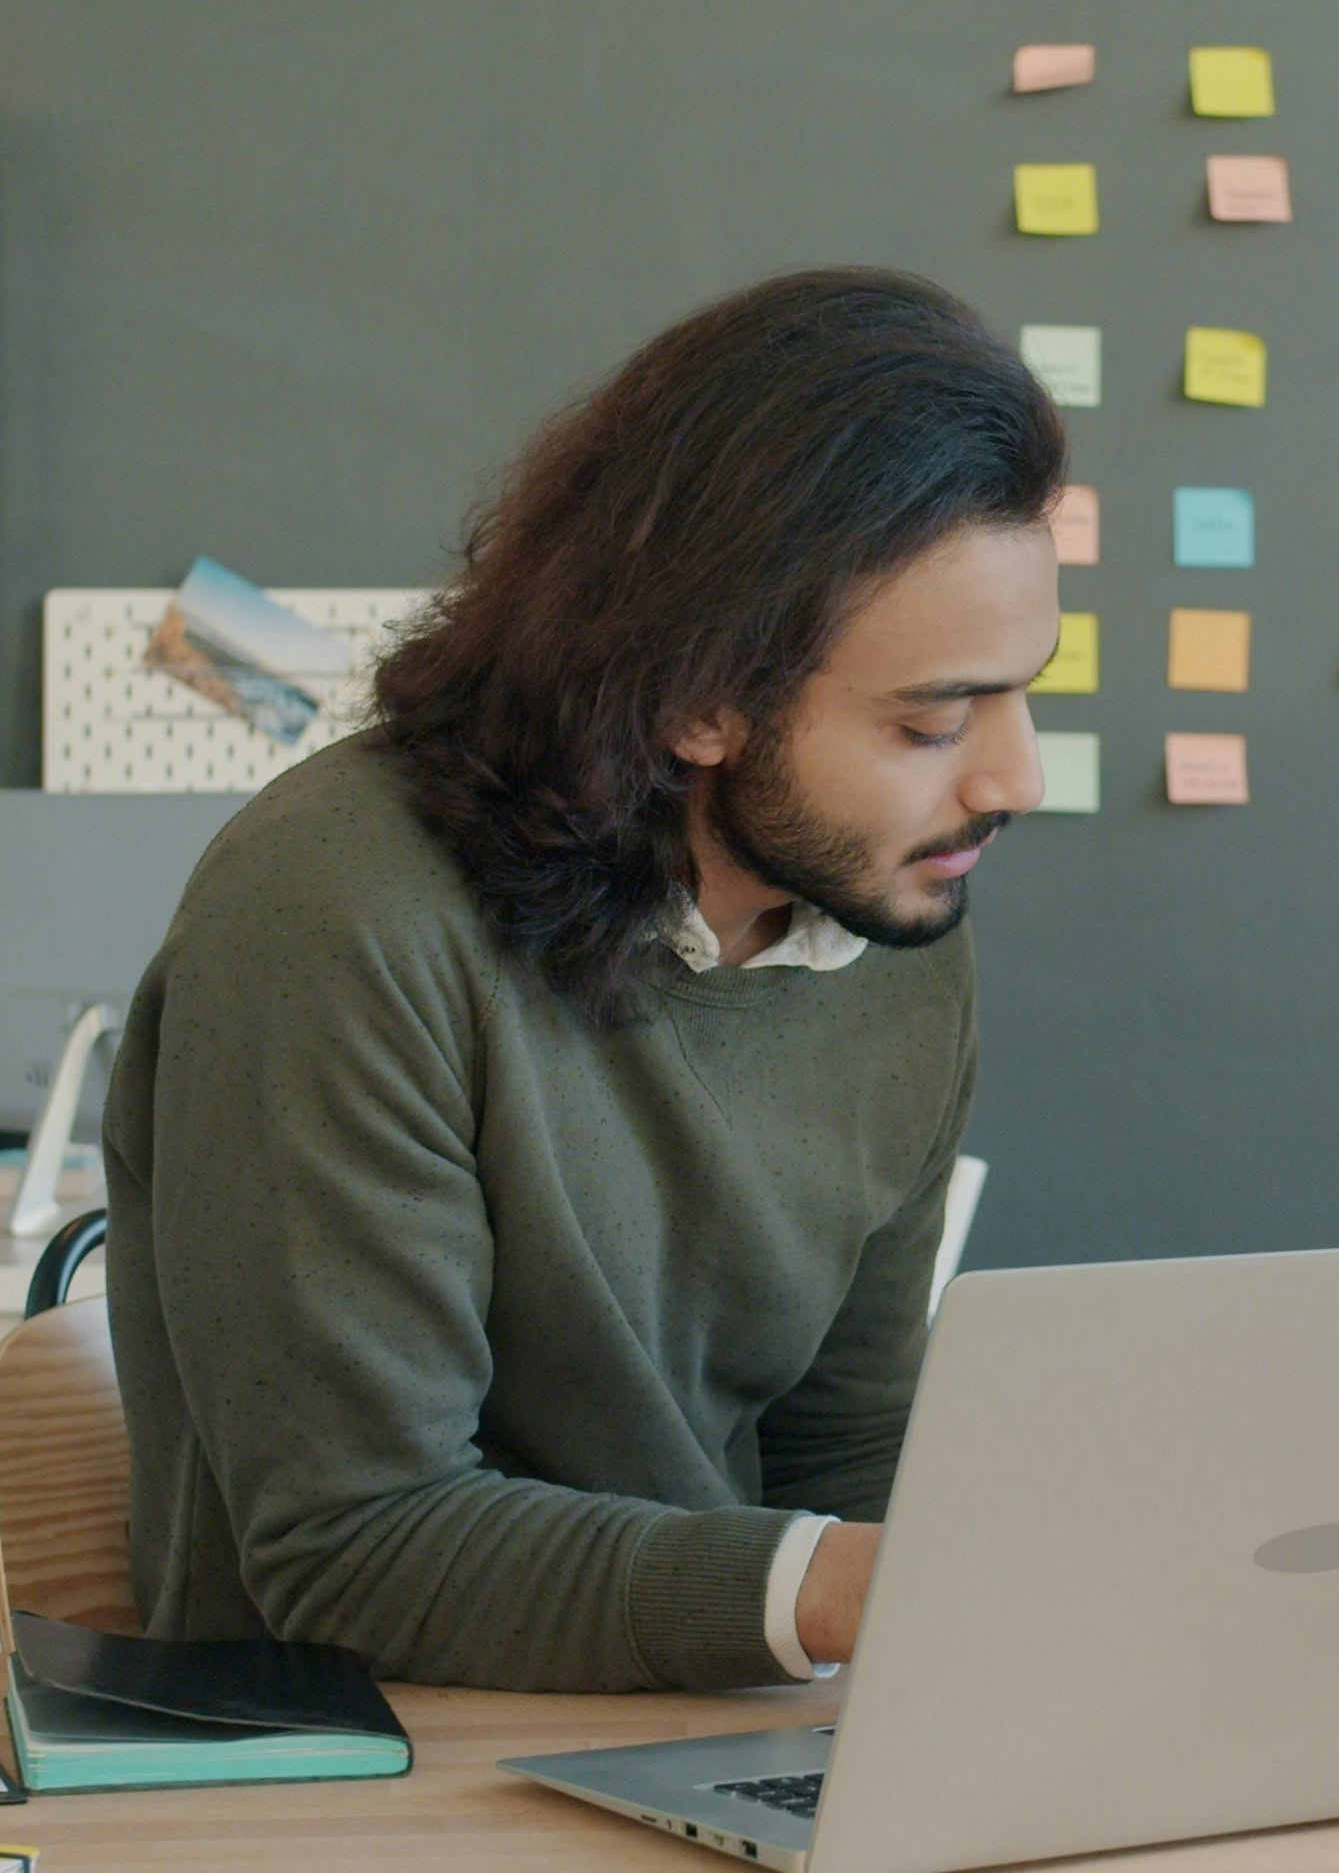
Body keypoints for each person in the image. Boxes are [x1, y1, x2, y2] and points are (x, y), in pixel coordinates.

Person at [103, 269, 1064, 1689]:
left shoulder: (889, 923)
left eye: (1028, 687)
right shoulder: (336, 915)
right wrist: (838, 1586)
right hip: (361, 1768)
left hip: (703, 1730)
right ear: (699, 700)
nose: (1016, 778)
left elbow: (846, 1456)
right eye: (933, 721)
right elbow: (349, 1544)